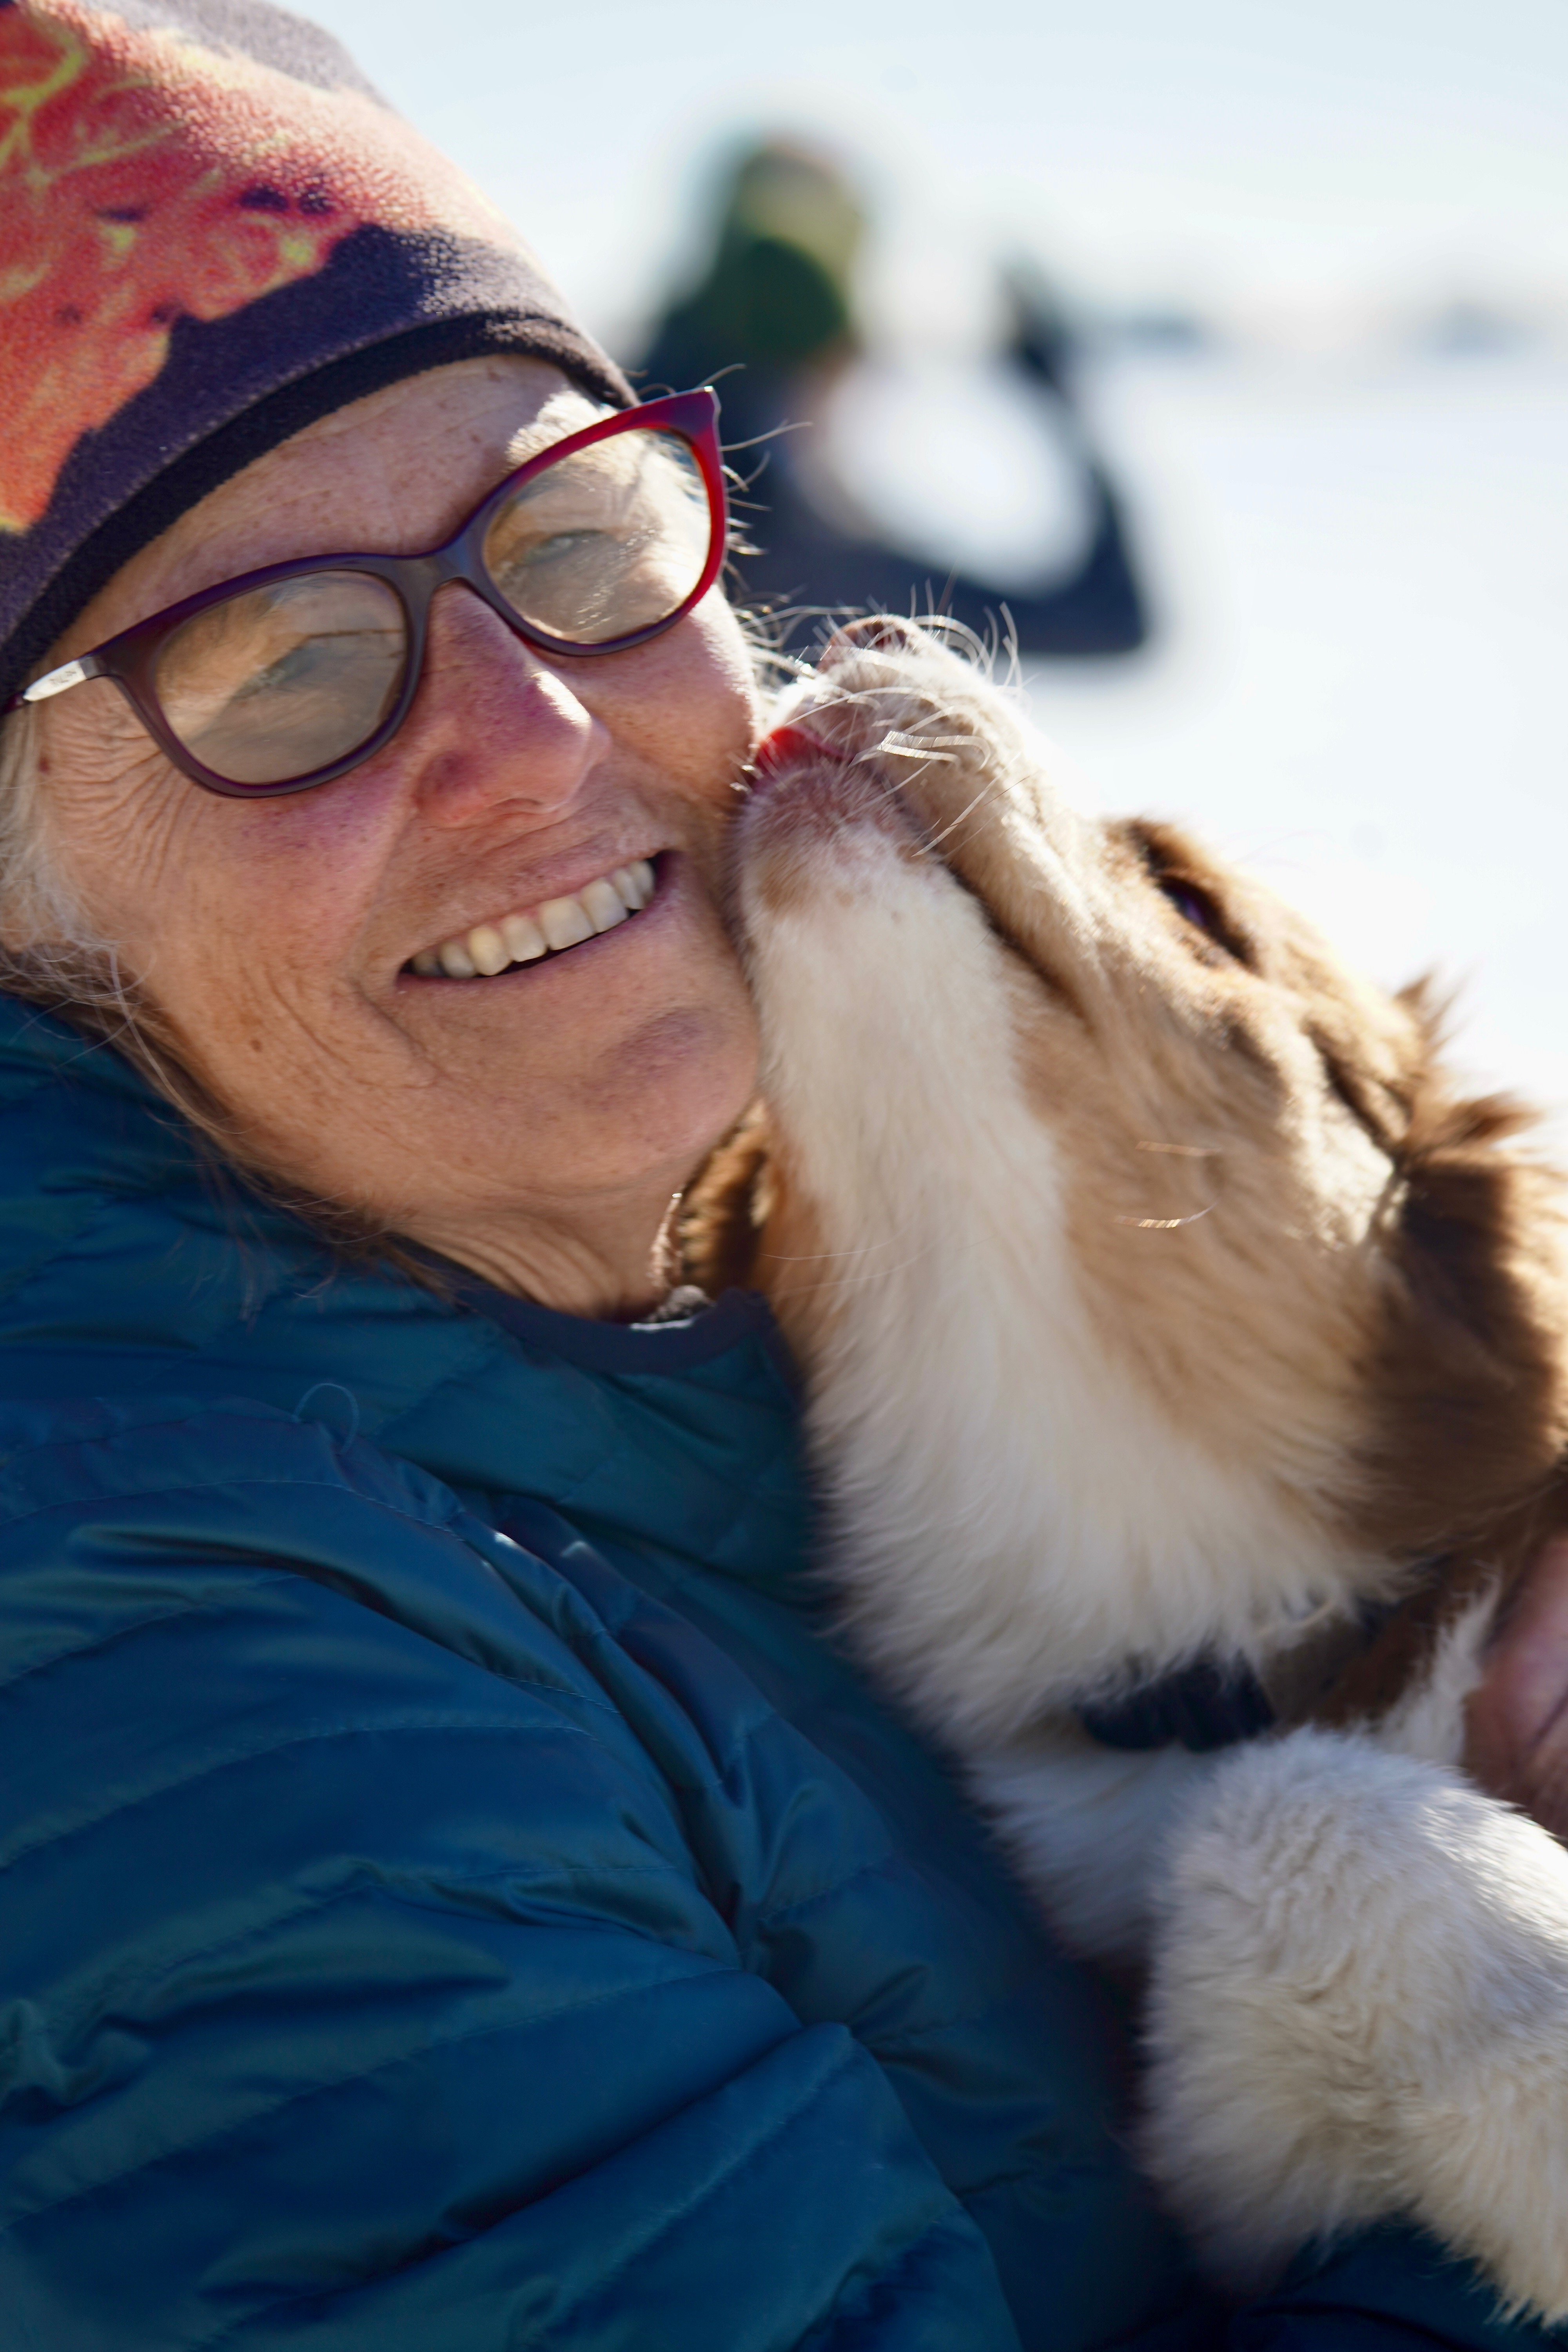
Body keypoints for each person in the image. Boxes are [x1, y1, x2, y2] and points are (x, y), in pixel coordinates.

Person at [0, 5, 1563, 2345]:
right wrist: (1485, 2151)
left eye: (572, 532)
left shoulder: (680, 1350)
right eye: (285, 668)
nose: (530, 729)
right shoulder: (167, 1672)